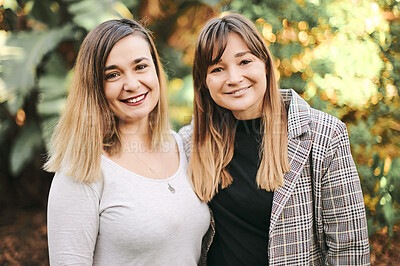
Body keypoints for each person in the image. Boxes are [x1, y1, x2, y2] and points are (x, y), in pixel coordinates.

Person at [179, 13, 370, 265]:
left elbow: (350, 247)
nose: (234, 78)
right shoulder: (190, 143)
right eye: (217, 69)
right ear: (204, 82)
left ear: (266, 64)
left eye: (245, 61)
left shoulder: (323, 135)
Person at [45, 18, 210, 265]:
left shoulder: (182, 146)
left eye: (140, 67)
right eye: (113, 75)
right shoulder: (81, 169)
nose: (132, 84)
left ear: (156, 69)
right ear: (95, 87)